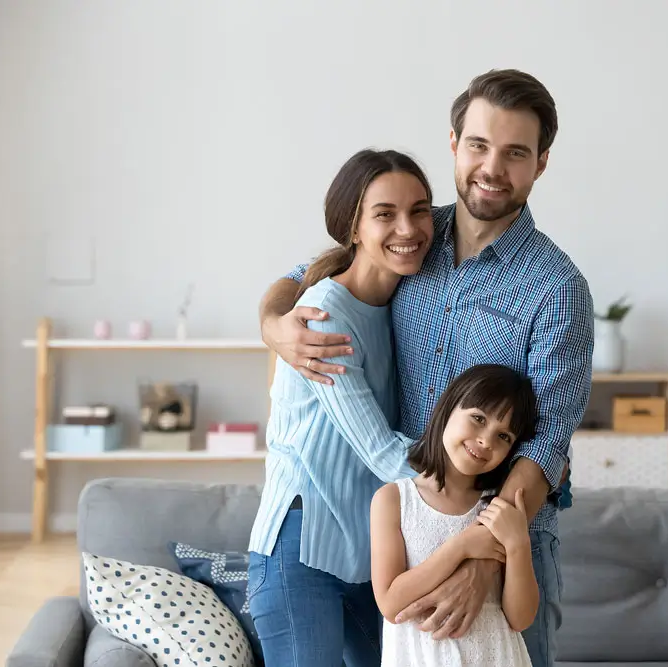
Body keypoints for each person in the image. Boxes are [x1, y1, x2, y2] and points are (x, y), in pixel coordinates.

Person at [259, 68, 594, 667]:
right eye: (479, 145)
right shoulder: (412, 231)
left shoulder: (557, 289)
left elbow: (546, 447)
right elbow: (302, 277)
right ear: (453, 145)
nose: (492, 167)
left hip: (508, 541)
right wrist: (274, 324)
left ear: (540, 163)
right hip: (409, 531)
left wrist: (482, 557)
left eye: (515, 152)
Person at [247, 147, 438, 667]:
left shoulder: (409, 292)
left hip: (368, 553)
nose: (408, 227)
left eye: (420, 210)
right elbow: (381, 452)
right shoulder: (325, 316)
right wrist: (486, 490)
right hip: (301, 547)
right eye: (384, 214)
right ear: (352, 228)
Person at [371, 364, 540, 666]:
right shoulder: (394, 500)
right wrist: (461, 546)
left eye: (504, 436)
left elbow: (520, 618)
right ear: (448, 408)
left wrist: (518, 546)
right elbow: (390, 603)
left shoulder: (498, 508)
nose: (486, 441)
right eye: (478, 418)